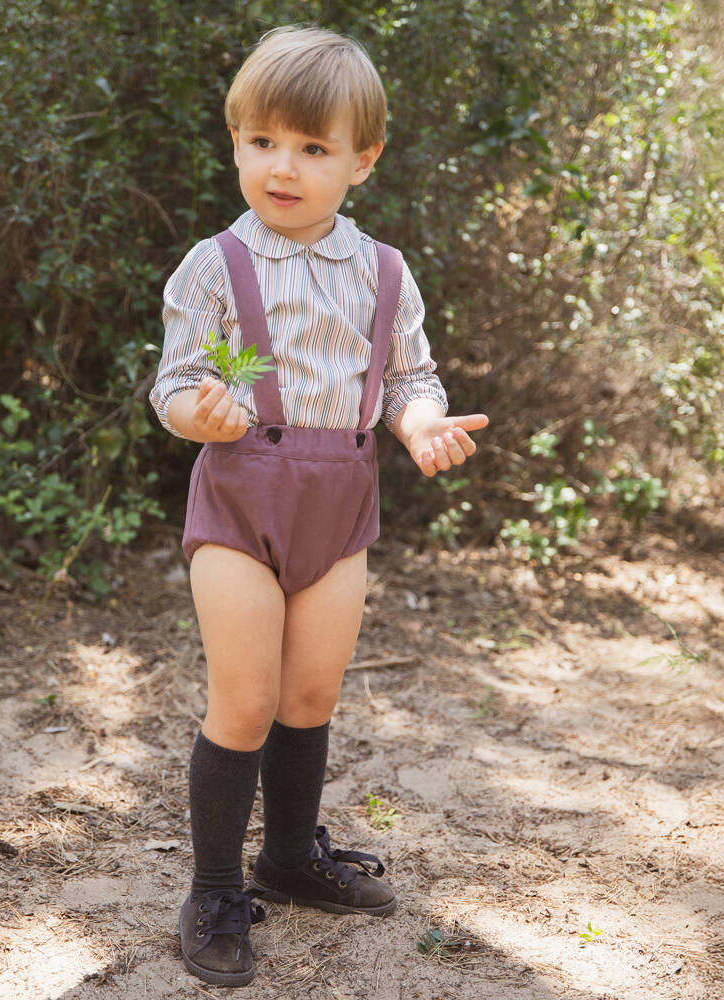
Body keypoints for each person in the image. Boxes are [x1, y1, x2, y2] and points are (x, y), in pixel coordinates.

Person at [149, 24, 488, 987]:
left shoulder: (384, 272)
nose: (282, 168)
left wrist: (420, 425)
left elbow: (406, 377)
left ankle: (289, 858)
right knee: (248, 699)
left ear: (361, 162)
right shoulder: (215, 265)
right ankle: (216, 887)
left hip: (340, 511)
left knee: (309, 698)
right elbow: (172, 384)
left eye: (311, 148)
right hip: (241, 504)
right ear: (236, 143)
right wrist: (198, 412)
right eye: (262, 143)